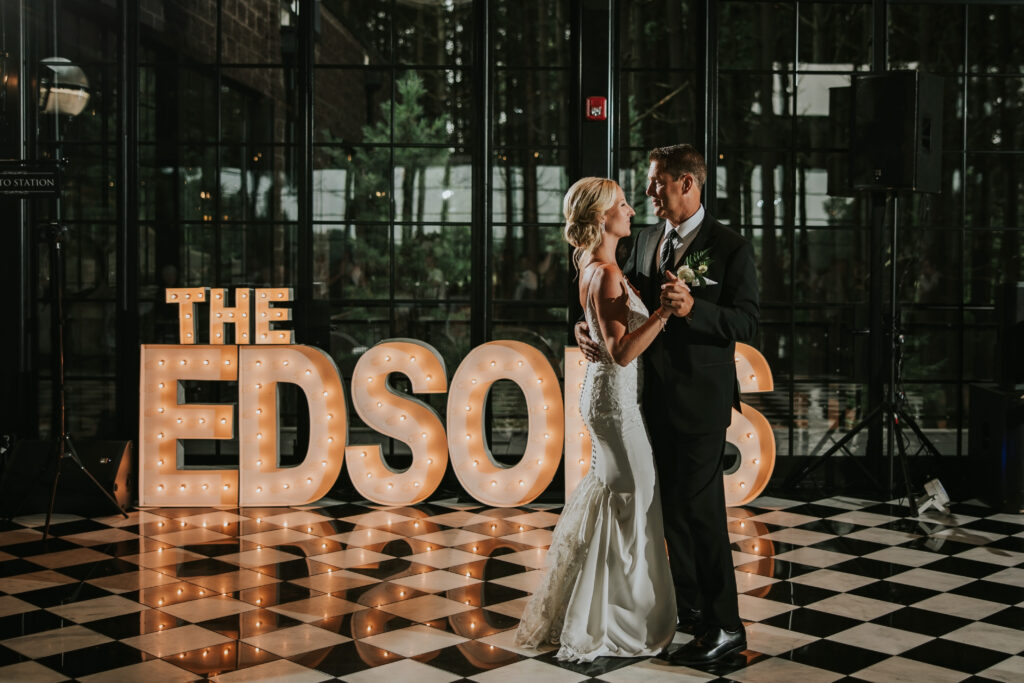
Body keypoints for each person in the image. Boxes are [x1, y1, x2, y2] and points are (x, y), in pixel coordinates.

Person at [576, 144, 759, 666]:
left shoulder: (730, 247)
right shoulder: (648, 240)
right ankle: (695, 617)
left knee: (701, 513)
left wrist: (697, 309)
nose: (649, 193)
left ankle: (727, 628)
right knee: (670, 515)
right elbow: (617, 302)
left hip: (700, 402)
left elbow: (746, 322)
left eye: (657, 183)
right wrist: (586, 327)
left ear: (687, 183)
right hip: (644, 398)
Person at [514, 177, 677, 662]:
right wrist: (663, 314)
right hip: (615, 403)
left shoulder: (589, 263)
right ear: (601, 216)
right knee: (637, 503)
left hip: (604, 398)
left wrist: (585, 323)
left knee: (615, 501)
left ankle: (593, 611)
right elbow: (622, 351)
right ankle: (616, 622)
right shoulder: (604, 271)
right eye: (622, 205)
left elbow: (599, 323)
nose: (631, 210)